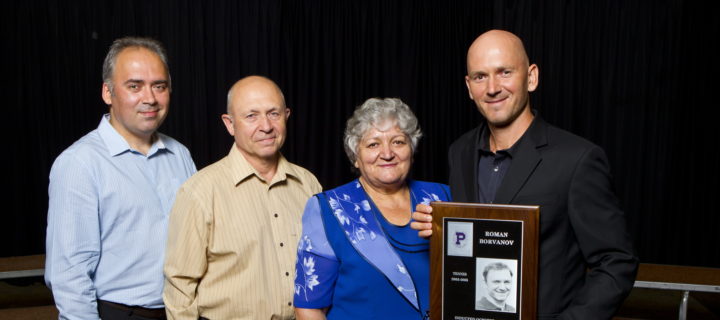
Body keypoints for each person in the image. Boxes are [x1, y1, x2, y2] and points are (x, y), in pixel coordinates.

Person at [411, 30, 638, 319]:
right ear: (469, 87)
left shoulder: (577, 159)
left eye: (504, 72)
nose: (492, 87)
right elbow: (479, 243)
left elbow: (617, 262)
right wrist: (443, 227)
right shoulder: (461, 151)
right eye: (480, 77)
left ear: (531, 77)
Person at [45, 37, 197, 320]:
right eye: (134, 86)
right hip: (117, 313)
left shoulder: (180, 156)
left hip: (181, 312)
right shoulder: (79, 164)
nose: (150, 98)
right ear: (108, 92)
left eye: (159, 86)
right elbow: (69, 276)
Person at [163, 76, 322, 320]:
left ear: (287, 116)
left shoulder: (308, 184)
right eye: (251, 116)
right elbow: (179, 289)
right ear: (229, 124)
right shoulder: (200, 192)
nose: (266, 126)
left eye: (274, 113)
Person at [294, 98, 451, 320]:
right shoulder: (327, 209)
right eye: (373, 144)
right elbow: (308, 308)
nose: (387, 153)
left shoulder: (443, 199)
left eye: (398, 142)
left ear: (412, 150)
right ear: (356, 157)